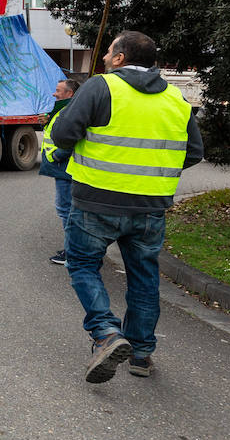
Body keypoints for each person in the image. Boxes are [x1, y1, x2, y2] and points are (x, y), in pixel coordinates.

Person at [51, 31, 204, 384]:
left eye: (108, 51)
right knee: (144, 276)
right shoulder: (176, 98)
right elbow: (193, 152)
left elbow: (63, 135)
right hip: (150, 208)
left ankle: (106, 333)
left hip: (96, 202)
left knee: (83, 265)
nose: (104, 56)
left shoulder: (100, 87)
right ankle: (140, 352)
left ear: (120, 58)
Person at [38, 77, 80, 265]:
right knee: (67, 209)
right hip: (63, 167)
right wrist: (45, 123)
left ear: (69, 94)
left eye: (58, 90)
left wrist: (57, 155)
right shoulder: (66, 108)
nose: (54, 93)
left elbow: (71, 138)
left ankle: (72, 253)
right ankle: (73, 250)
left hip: (64, 167)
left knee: (66, 210)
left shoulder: (70, 110)